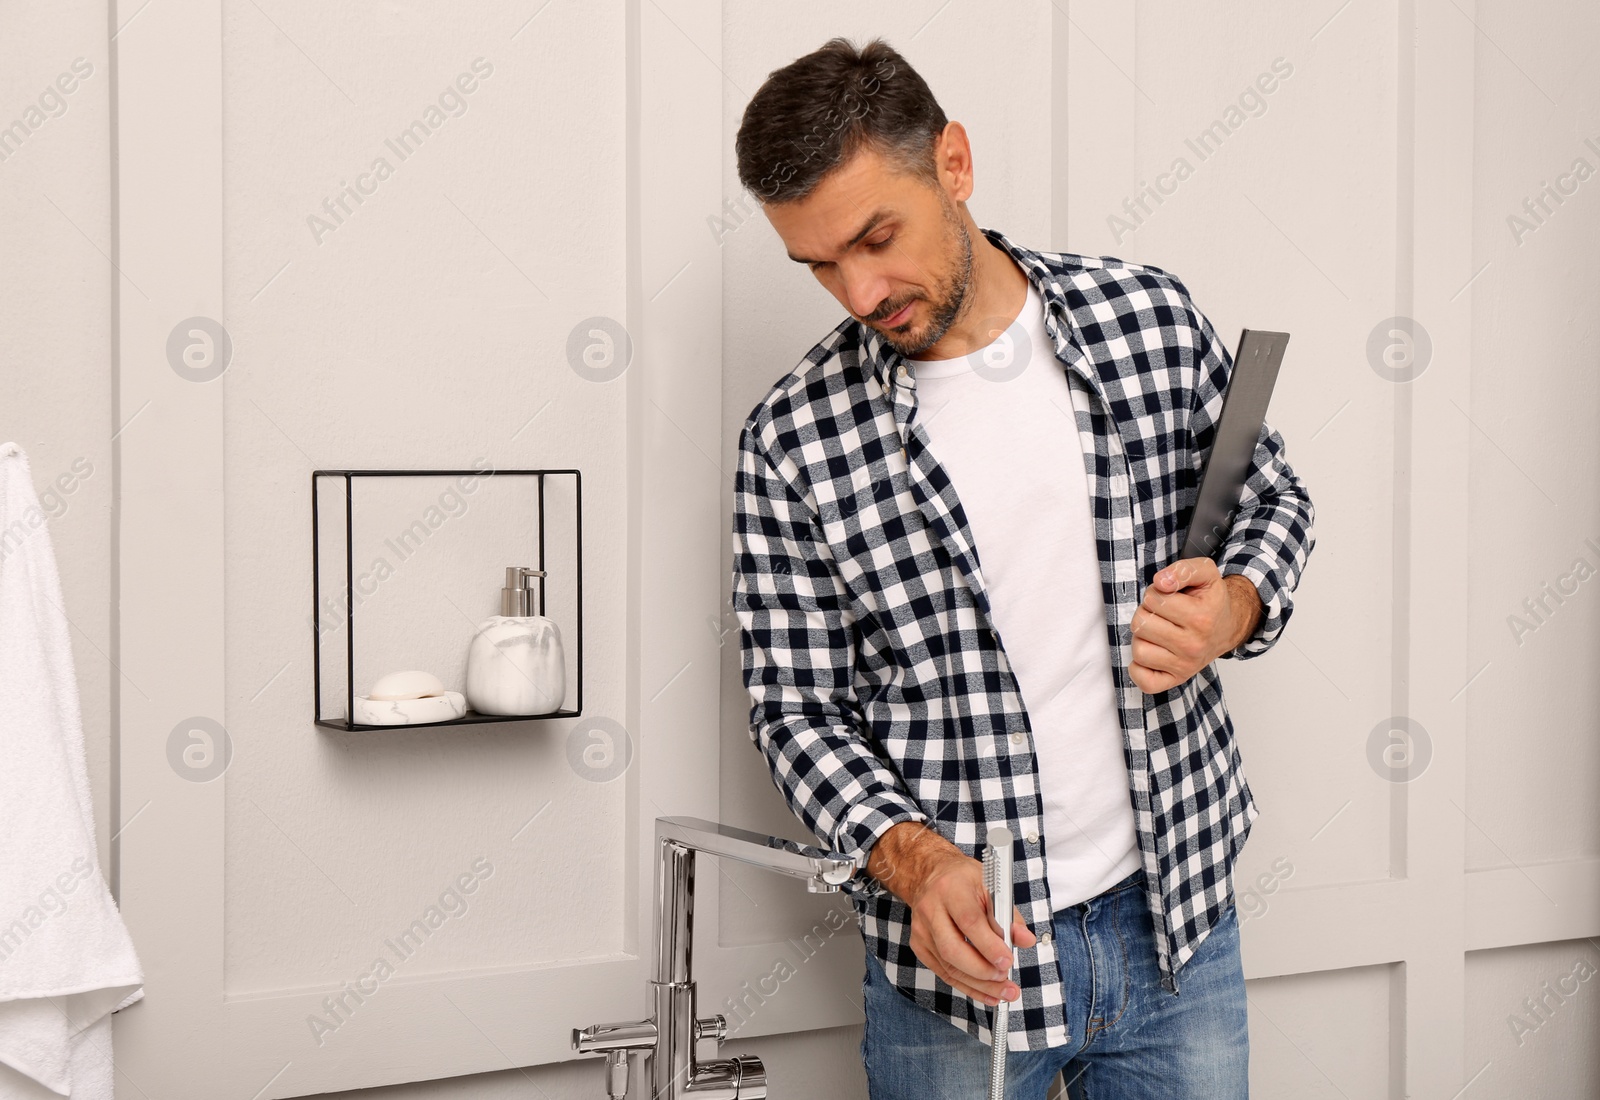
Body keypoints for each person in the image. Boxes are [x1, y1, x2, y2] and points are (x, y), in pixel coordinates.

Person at [728, 36, 1315, 1100]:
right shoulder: (790, 438)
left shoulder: (1145, 317)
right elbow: (795, 708)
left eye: (874, 237)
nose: (857, 291)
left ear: (952, 162)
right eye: (818, 264)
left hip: (1175, 923)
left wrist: (1232, 603)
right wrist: (914, 859)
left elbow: (1270, 499)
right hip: (954, 970)